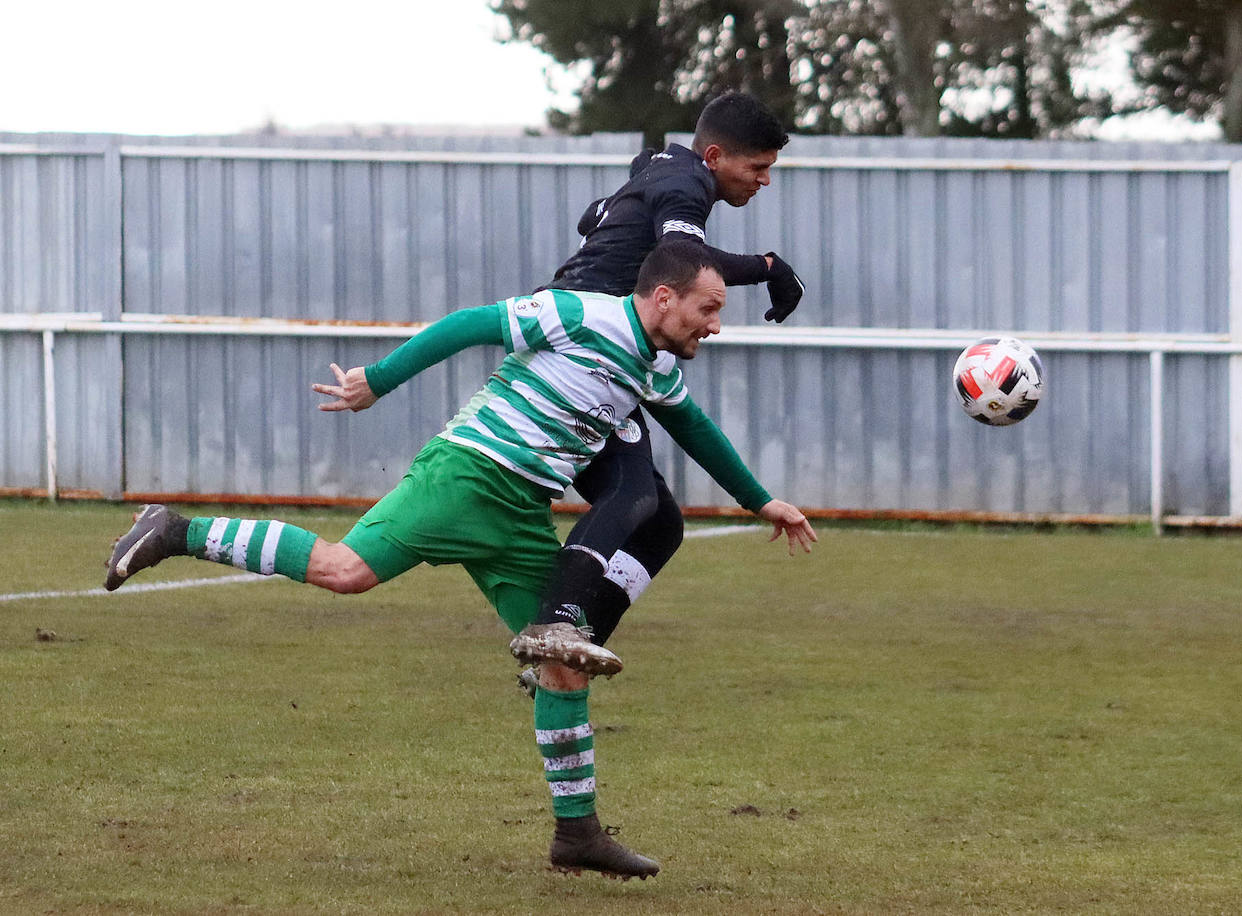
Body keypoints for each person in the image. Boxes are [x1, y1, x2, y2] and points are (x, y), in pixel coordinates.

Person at [102, 241, 817, 879]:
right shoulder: (578, 314)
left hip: (519, 514)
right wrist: (375, 380)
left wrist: (762, 502)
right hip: (467, 475)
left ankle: (577, 836)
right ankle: (176, 531)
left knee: (563, 663)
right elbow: (471, 324)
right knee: (344, 572)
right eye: (709, 307)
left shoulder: (655, 363)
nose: (716, 324)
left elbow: (693, 426)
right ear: (664, 296)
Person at [527, 91, 807, 673]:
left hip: (601, 352)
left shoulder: (667, 174)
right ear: (714, 156)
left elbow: (598, 220)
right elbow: (681, 251)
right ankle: (554, 621)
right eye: (757, 168)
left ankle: (565, 653)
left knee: (660, 524)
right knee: (632, 495)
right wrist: (769, 269)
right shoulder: (684, 186)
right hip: (584, 356)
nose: (764, 182)